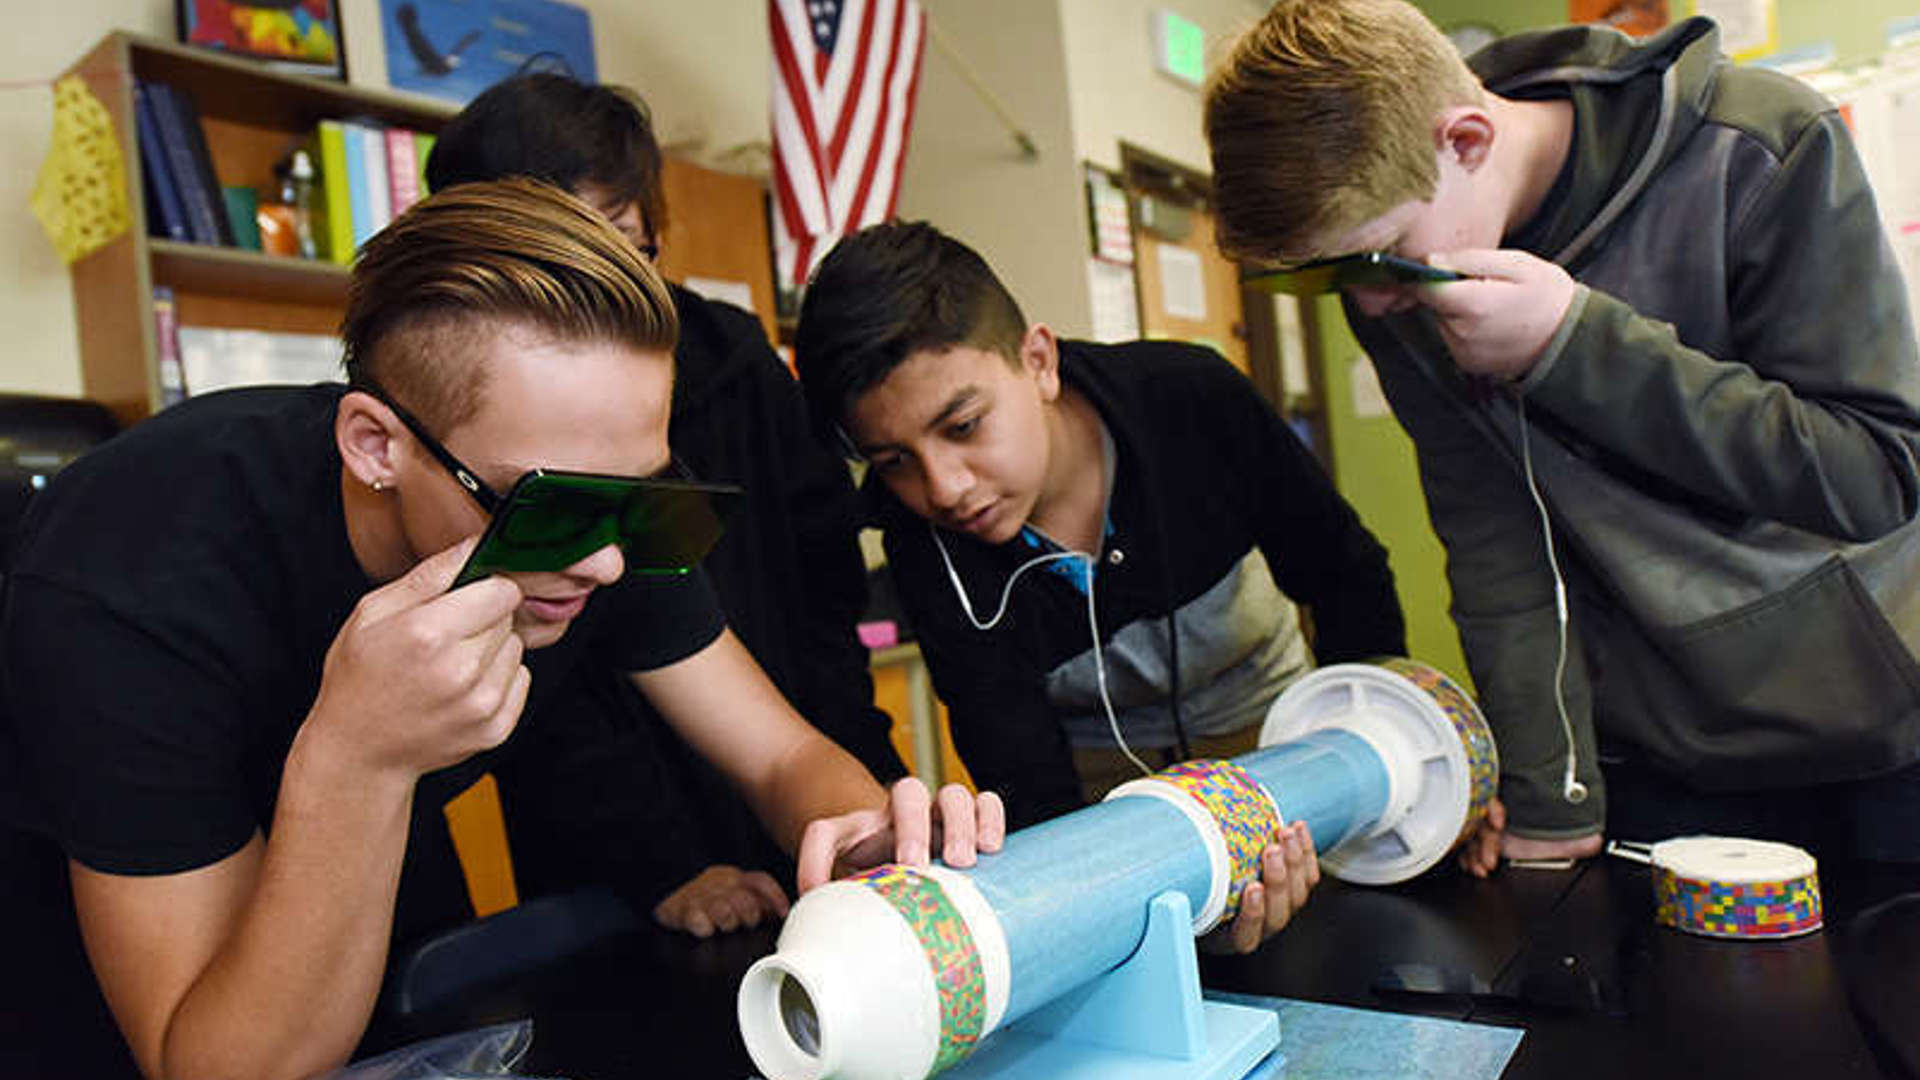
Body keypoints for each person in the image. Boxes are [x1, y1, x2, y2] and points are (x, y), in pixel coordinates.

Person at [0, 180, 1001, 1080]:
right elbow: (218, 1065)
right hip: (110, 950)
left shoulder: (580, 505)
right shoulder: (131, 576)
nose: (608, 564)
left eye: (640, 497)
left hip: (365, 873)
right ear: (375, 445)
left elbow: (781, 757)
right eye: (558, 509)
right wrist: (354, 755)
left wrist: (868, 838)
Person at [1203, 0, 1920, 874]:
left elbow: (1876, 474)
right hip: (1652, 758)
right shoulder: (1401, 281)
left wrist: (1573, 346)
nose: (1372, 304)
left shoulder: (1763, 143)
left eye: (1377, 259)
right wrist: (1551, 800)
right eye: (1328, 282)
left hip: (1876, 732)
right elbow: (1496, 545)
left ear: (1465, 141)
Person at [793, 220, 1409, 951]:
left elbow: (1346, 577)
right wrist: (1161, 909)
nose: (944, 488)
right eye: (894, 460)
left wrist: (1379, 765)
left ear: (1039, 362)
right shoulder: (925, 547)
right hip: (1101, 817)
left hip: (1284, 756)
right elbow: (1028, 783)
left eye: (962, 425)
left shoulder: (1194, 400)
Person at [424, 72, 906, 939]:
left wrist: (857, 797)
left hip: (784, 760)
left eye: (627, 249)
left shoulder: (733, 360)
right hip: (611, 852)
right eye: (567, 259)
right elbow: (533, 688)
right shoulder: (459, 443)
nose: (604, 288)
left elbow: (822, 596)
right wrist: (660, 861)